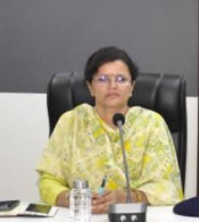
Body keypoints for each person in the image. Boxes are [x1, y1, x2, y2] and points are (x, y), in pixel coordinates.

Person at [36, 46, 184, 213]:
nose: (112, 86)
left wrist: (127, 197)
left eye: (121, 79)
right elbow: (48, 180)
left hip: (135, 220)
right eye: (103, 79)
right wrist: (73, 199)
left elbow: (168, 188)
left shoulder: (151, 124)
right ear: (90, 87)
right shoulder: (71, 122)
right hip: (82, 218)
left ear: (132, 87)